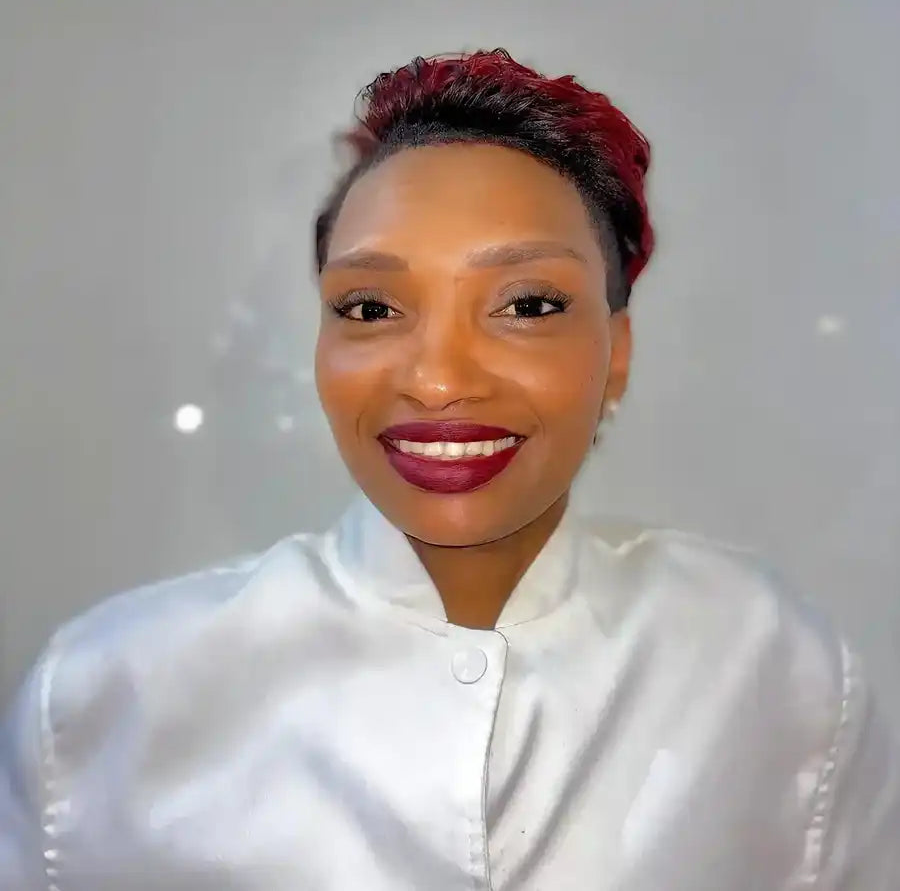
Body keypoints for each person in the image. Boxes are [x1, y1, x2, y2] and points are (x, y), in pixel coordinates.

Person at [1, 49, 898, 891]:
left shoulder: (773, 664)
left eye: (527, 304)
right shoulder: (107, 694)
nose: (437, 379)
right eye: (372, 305)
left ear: (616, 352)